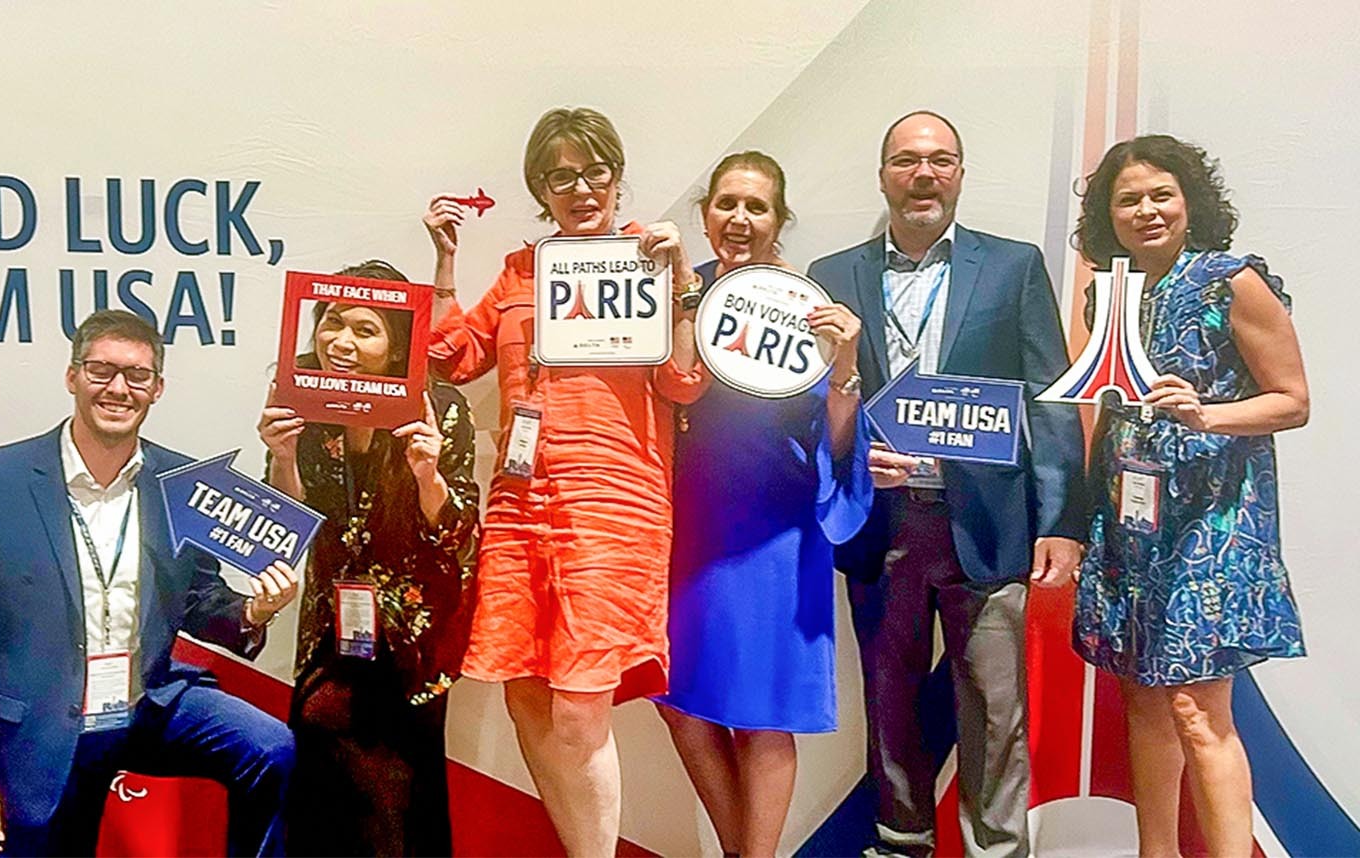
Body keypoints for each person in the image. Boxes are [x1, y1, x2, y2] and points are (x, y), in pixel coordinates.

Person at [421, 106, 706, 856]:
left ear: (616, 173)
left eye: (594, 171)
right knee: (525, 691)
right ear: (540, 189)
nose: (581, 189)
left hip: (616, 501)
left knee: (582, 708)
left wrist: (680, 282)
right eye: (560, 176)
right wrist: (446, 264)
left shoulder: (649, 254)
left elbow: (682, 384)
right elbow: (451, 359)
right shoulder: (521, 271)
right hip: (521, 500)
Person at [807, 111, 1087, 858]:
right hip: (883, 521)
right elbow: (812, 406)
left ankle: (999, 851)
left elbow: (1049, 396)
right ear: (883, 176)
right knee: (889, 698)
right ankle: (901, 842)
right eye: (906, 161)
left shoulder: (1013, 265)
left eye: (940, 160)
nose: (923, 174)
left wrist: (1060, 519)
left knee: (997, 708)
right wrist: (847, 460)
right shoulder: (831, 278)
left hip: (987, 522)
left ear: (960, 172)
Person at [0, 309, 298, 857]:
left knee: (270, 748)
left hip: (145, 703)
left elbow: (199, 601)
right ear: (72, 377)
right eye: (101, 371)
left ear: (157, 388)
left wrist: (253, 612)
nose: (119, 388)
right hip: (43, 718)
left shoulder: (182, 483)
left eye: (137, 376)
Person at [1071, 135, 1308, 858]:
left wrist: (1206, 414)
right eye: (1128, 199)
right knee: (1142, 699)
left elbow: (1293, 401)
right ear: (1107, 216)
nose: (1146, 210)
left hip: (1214, 522)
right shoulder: (1108, 295)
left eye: (1160, 194)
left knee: (1198, 712)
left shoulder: (1232, 281)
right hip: (1131, 522)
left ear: (1189, 201)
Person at [655, 151, 872, 857]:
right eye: (726, 204)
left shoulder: (807, 309)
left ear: (780, 221)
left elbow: (834, 439)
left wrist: (844, 368)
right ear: (706, 213)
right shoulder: (683, 296)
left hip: (775, 533)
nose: (739, 219)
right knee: (680, 703)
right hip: (690, 524)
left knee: (763, 715)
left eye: (756, 207)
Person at [257, 260, 480, 856]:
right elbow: (283, 528)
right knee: (321, 782)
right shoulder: (299, 397)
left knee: (400, 811)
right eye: (332, 323)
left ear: (396, 344)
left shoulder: (442, 406)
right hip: (329, 638)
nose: (342, 343)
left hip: (410, 646)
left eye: (365, 329)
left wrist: (428, 474)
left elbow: (460, 536)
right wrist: (281, 457)